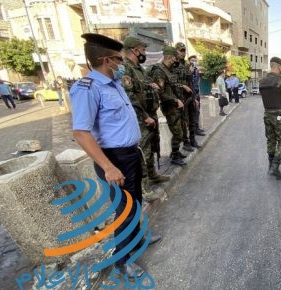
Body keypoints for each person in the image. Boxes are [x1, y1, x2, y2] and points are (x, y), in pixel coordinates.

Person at [70, 33, 161, 279]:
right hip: (113, 159)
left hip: (130, 154)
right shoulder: (87, 88)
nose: (122, 64)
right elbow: (81, 131)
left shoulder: (115, 83)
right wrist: (108, 167)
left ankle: (137, 238)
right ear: (107, 60)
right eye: (119, 60)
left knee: (136, 204)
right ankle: (123, 261)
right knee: (124, 211)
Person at [121, 36, 170, 200]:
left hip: (150, 114)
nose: (144, 53)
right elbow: (130, 97)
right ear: (135, 50)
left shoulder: (139, 69)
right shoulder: (126, 69)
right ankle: (144, 187)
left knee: (153, 146)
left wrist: (152, 85)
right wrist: (144, 117)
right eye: (143, 50)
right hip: (141, 119)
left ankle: (153, 175)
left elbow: (145, 84)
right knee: (143, 151)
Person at [147, 46, 188, 166]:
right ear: (169, 57)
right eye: (175, 58)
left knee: (181, 131)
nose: (176, 60)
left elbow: (174, 87)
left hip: (176, 106)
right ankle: (174, 156)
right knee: (178, 133)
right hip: (170, 107)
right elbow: (160, 92)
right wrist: (175, 101)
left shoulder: (169, 70)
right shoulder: (160, 71)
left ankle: (176, 152)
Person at [174, 42, 200, 150]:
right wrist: (183, 86)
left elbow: (192, 83)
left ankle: (193, 139)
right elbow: (172, 82)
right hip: (181, 98)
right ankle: (186, 142)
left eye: (184, 50)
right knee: (184, 121)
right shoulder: (174, 65)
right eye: (181, 50)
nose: (183, 53)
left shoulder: (187, 65)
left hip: (190, 97)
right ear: (176, 51)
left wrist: (194, 98)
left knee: (192, 119)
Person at [188, 55, 205, 136]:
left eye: (195, 60)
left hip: (197, 94)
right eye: (192, 60)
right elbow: (189, 83)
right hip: (191, 95)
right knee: (193, 112)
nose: (194, 62)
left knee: (197, 111)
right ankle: (194, 129)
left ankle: (197, 128)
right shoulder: (188, 70)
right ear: (189, 61)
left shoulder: (196, 70)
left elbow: (197, 83)